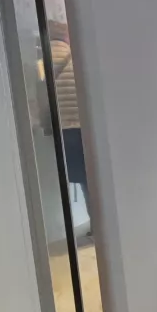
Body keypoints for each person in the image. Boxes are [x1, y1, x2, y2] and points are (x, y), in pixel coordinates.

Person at [49, 20, 91, 234]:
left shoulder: (42, 64)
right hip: (84, 129)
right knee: (92, 179)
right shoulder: (77, 62)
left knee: (79, 179)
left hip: (62, 131)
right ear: (66, 37)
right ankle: (101, 224)